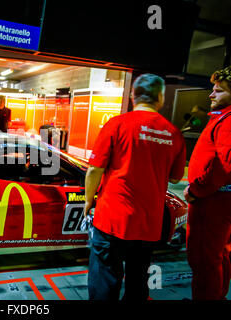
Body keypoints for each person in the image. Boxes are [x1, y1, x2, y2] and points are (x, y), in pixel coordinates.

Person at [84, 73, 186, 300]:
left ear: (132, 96)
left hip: (112, 220)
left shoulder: (117, 124)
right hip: (148, 224)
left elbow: (94, 170)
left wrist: (89, 201)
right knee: (138, 281)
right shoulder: (174, 133)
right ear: (160, 98)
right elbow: (177, 178)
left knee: (104, 278)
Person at [183, 65, 231, 300]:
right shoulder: (222, 118)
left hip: (212, 204)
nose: (211, 95)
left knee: (204, 260)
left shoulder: (229, 121)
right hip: (216, 202)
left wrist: (196, 190)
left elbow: (225, 166)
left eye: (219, 90)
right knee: (216, 256)